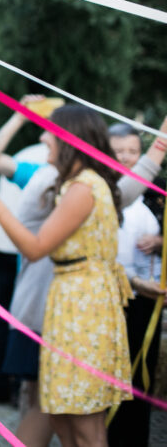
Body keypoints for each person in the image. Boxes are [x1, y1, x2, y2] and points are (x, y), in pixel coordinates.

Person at [0, 105, 134, 447]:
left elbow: (35, 247)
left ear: (69, 140)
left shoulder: (85, 188)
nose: (43, 137)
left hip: (85, 308)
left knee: (85, 421)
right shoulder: (75, 184)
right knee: (61, 413)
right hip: (69, 303)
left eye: (50, 132)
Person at [106, 122, 165, 447]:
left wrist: (160, 241)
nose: (127, 158)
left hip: (148, 297)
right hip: (110, 296)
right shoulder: (101, 187)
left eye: (133, 151)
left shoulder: (158, 190)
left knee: (141, 374)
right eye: (119, 152)